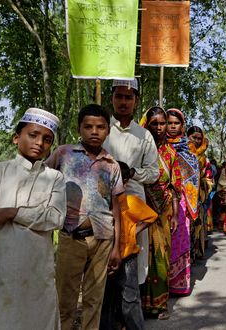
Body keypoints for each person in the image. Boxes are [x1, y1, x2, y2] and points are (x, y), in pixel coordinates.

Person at [48, 104, 124, 330]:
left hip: (102, 239)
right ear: (79, 128)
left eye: (100, 127)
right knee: (65, 299)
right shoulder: (64, 154)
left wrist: (117, 246)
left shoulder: (112, 165)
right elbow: (42, 179)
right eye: (88, 126)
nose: (94, 131)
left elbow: (116, 208)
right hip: (71, 237)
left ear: (108, 131)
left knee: (94, 299)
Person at [0, 108, 66, 330]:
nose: (39, 143)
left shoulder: (55, 178)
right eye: (33, 135)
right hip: (0, 268)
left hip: (38, 271)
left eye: (47, 139)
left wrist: (11, 212)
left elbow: (56, 218)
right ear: (16, 138)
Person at [103, 79, 160, 305]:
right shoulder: (102, 127)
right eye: (119, 96)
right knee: (104, 251)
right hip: (103, 202)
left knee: (132, 256)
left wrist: (132, 172)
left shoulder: (144, 135)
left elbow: (153, 172)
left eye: (129, 97)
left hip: (133, 204)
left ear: (136, 101)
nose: (123, 102)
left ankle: (129, 315)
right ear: (112, 98)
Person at [100, 161, 158, 329]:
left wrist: (134, 231)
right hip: (104, 257)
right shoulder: (101, 204)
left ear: (125, 182)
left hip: (127, 257)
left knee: (130, 296)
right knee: (105, 298)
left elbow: (151, 217)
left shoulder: (131, 202)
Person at [139, 107, 180, 319]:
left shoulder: (171, 154)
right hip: (139, 207)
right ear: (147, 124)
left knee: (161, 256)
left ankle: (160, 304)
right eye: (154, 123)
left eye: (162, 123)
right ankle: (138, 304)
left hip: (162, 211)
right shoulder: (140, 149)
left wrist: (174, 212)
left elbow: (175, 186)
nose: (159, 127)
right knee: (140, 254)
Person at [165, 108, 199, 295]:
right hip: (161, 199)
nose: (171, 127)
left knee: (179, 236)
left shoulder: (188, 150)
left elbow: (193, 178)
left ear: (182, 126)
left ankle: (178, 283)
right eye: (169, 123)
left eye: (175, 123)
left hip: (182, 201)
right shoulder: (156, 145)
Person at [187, 125, 214, 257]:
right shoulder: (183, 152)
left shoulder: (205, 159)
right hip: (184, 197)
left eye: (199, 138)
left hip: (198, 197)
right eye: (194, 137)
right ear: (188, 137)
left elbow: (209, 179)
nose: (196, 141)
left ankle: (195, 253)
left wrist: (201, 183)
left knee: (197, 225)